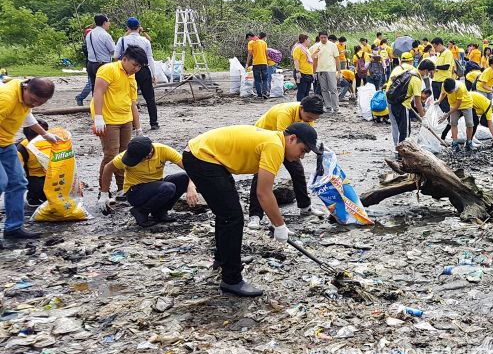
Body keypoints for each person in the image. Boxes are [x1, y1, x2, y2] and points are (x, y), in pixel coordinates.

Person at [182, 123, 321, 297]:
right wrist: (280, 225)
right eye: (302, 150)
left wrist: (278, 224)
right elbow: (263, 193)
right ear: (292, 139)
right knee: (232, 217)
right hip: (201, 157)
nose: (301, 156)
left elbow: (262, 189)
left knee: (226, 212)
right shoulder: (275, 146)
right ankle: (231, 279)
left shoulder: (274, 141)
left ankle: (224, 259)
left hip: (205, 156)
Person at [247, 97, 326, 229]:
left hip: (283, 142)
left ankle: (305, 206)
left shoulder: (308, 117)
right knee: (261, 176)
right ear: (301, 108)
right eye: (308, 118)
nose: (310, 121)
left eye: (313, 119)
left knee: (298, 172)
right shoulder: (285, 113)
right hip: (266, 141)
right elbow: (284, 140)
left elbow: (305, 137)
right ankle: (255, 216)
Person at [0, 78, 59, 243]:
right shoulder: (5, 98)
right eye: (33, 100)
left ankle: (13, 228)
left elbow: (28, 115)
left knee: (18, 183)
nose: (34, 105)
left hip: (5, 143)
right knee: (1, 183)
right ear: (26, 88)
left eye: (40, 103)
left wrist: (45, 134)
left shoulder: (24, 97)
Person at [98, 136, 198, 227]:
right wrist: (104, 194)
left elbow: (189, 168)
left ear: (149, 154)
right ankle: (140, 211)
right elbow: (108, 168)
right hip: (135, 191)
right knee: (168, 188)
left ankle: (160, 212)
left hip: (156, 185)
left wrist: (191, 187)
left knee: (183, 178)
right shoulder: (125, 156)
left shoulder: (163, 150)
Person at [92, 45, 146, 196]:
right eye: (135, 65)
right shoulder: (108, 70)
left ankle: (122, 188)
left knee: (124, 155)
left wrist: (138, 128)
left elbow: (132, 103)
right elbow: (98, 92)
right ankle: (103, 190)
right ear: (124, 59)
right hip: (109, 120)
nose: (136, 69)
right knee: (111, 155)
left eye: (139, 67)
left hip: (125, 120)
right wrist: (98, 117)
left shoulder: (131, 76)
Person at [114, 17, 160, 130]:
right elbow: (150, 58)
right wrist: (154, 74)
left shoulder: (122, 40)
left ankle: (132, 123)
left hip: (128, 70)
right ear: (139, 27)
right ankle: (154, 123)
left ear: (127, 27)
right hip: (143, 69)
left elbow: (115, 56)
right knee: (149, 98)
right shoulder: (145, 41)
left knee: (128, 97)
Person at [387, 58, 434, 147]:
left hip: (394, 103)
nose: (428, 75)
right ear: (426, 70)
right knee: (405, 132)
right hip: (402, 105)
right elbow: (417, 101)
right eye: (429, 72)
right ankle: (402, 153)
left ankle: (398, 148)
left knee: (401, 129)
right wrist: (423, 117)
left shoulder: (410, 71)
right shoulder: (416, 79)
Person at [16, 120, 49, 207]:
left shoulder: (50, 141)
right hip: (33, 175)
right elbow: (18, 170)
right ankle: (32, 197)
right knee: (38, 189)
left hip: (50, 173)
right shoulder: (22, 148)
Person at [85, 14, 115, 99]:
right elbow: (113, 50)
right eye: (108, 22)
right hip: (103, 65)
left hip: (91, 64)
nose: (109, 24)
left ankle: (95, 108)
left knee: (95, 88)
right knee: (105, 89)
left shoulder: (89, 34)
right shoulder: (105, 35)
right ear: (104, 22)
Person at [438, 78, 474, 151]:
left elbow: (457, 106)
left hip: (466, 104)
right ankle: (455, 143)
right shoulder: (444, 85)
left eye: (451, 92)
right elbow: (443, 93)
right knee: (453, 123)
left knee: (469, 123)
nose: (450, 93)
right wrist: (439, 101)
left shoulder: (460, 88)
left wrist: (446, 114)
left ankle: (469, 142)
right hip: (452, 104)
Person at [310, 31, 341, 113]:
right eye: (321, 37)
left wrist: (339, 71)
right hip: (320, 70)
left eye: (325, 37)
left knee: (333, 89)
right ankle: (328, 107)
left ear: (327, 37)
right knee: (324, 89)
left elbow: (337, 59)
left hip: (331, 70)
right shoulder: (316, 46)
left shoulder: (333, 45)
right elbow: (312, 59)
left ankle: (336, 107)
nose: (323, 39)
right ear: (319, 38)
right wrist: (314, 72)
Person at [246, 32, 270, 98]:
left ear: (249, 37)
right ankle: (264, 93)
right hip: (264, 63)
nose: (248, 40)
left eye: (248, 39)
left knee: (257, 79)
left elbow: (250, 54)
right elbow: (266, 53)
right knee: (265, 79)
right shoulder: (264, 43)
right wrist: (267, 62)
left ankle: (259, 94)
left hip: (256, 63)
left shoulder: (251, 43)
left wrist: (247, 64)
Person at [76, 28, 95, 106]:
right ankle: (80, 97)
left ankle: (95, 100)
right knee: (90, 84)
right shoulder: (85, 45)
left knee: (94, 84)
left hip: (92, 65)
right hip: (90, 65)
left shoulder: (90, 44)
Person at [292, 34, 314, 102]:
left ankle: (305, 107)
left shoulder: (306, 49)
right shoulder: (298, 48)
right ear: (305, 40)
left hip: (308, 73)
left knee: (307, 92)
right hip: (301, 73)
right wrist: (298, 71)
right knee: (301, 91)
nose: (309, 41)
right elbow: (296, 60)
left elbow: (308, 60)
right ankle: (299, 106)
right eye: (308, 40)